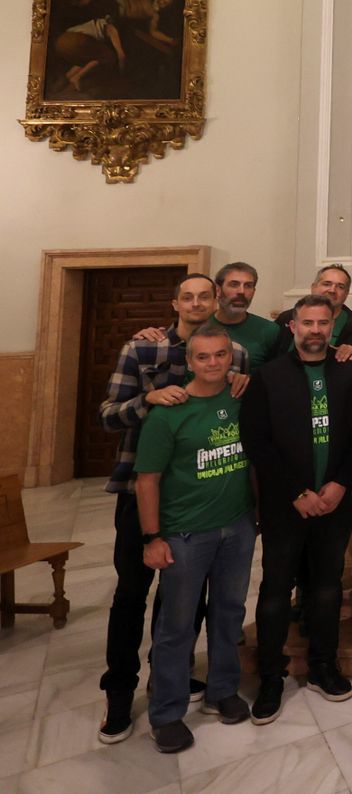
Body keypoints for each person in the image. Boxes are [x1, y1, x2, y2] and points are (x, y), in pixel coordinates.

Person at [96, 273, 246, 745]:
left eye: (206, 295)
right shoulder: (143, 348)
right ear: (176, 302)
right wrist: (148, 399)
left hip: (208, 499)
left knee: (190, 605)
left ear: (215, 301)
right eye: (189, 296)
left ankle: (172, 680)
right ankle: (120, 693)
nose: (198, 302)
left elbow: (236, 404)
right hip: (141, 490)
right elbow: (107, 415)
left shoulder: (232, 351)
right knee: (132, 596)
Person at [133, 322, 255, 753]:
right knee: (176, 626)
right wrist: (153, 537)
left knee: (228, 613)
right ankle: (166, 711)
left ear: (231, 358)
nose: (213, 363)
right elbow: (146, 480)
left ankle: (223, 690)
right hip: (185, 534)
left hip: (237, 527)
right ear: (189, 361)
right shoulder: (168, 413)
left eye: (220, 355)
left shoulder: (242, 400)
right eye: (203, 356)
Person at [241, 295, 352, 723]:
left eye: (322, 323)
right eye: (306, 322)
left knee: (328, 587)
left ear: (332, 326)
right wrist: (296, 492)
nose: (315, 329)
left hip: (333, 500)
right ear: (292, 327)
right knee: (275, 591)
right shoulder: (268, 376)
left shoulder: (349, 371)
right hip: (284, 505)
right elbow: (257, 442)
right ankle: (271, 675)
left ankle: (323, 665)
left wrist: (337, 484)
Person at [273, 264, 352, 360]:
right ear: (313, 287)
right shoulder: (286, 318)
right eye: (326, 284)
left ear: (346, 293)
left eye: (340, 287)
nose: (332, 290)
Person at [213, 261, 283, 369]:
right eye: (234, 284)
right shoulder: (201, 325)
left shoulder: (269, 331)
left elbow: (279, 374)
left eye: (248, 286)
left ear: (254, 292)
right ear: (218, 290)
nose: (241, 291)